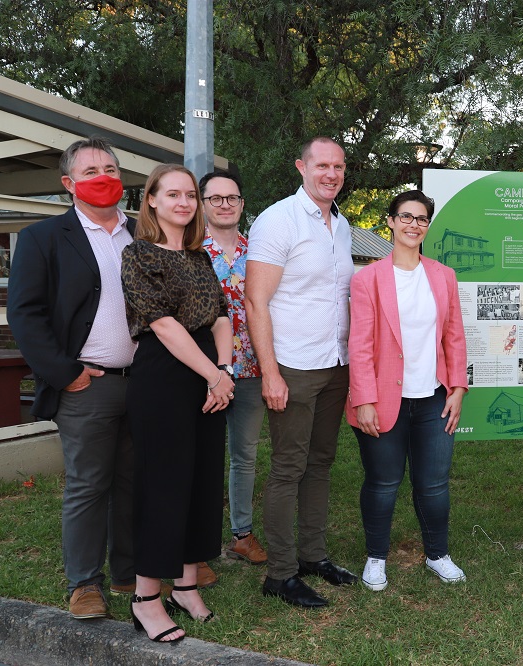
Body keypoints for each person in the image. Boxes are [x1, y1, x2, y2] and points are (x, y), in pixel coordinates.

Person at [7, 137, 137, 619]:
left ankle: (128, 570)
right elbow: (25, 314)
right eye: (90, 171)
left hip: (140, 381)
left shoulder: (140, 235)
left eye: (109, 168)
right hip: (87, 385)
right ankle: (84, 583)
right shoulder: (44, 237)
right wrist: (67, 375)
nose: (102, 177)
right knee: (88, 484)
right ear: (69, 184)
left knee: (132, 480)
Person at [120, 163, 233, 642]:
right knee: (164, 483)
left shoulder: (201, 257)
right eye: (173, 195)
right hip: (165, 375)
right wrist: (212, 374)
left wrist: (223, 372)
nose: (184, 202)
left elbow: (223, 316)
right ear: (152, 201)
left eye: (190, 195)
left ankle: (185, 585)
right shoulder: (137, 254)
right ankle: (146, 598)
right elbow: (164, 325)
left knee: (202, 479)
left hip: (210, 375)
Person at [245, 137, 357, 608]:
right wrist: (270, 373)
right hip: (292, 366)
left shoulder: (343, 225)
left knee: (321, 464)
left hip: (334, 364)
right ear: (302, 167)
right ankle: (281, 574)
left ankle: (313, 556)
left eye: (339, 166)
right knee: (289, 468)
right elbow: (256, 301)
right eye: (322, 165)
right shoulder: (277, 220)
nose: (331, 174)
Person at [347, 190, 469, 591]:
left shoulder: (443, 275)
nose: (413, 224)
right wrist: (363, 399)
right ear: (390, 221)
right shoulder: (367, 279)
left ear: (427, 226)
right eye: (406, 216)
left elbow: (454, 337)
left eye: (421, 219)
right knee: (383, 483)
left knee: (433, 483)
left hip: (433, 396)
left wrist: (457, 388)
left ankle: (438, 554)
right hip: (382, 398)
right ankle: (376, 558)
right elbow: (360, 344)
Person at [200, 169, 269, 569]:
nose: (225, 204)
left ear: (242, 205)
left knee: (244, 455)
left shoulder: (258, 251)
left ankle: (241, 534)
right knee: (203, 456)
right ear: (203, 203)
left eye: (232, 198)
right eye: (216, 198)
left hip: (252, 368)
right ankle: (199, 544)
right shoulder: (191, 250)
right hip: (205, 370)